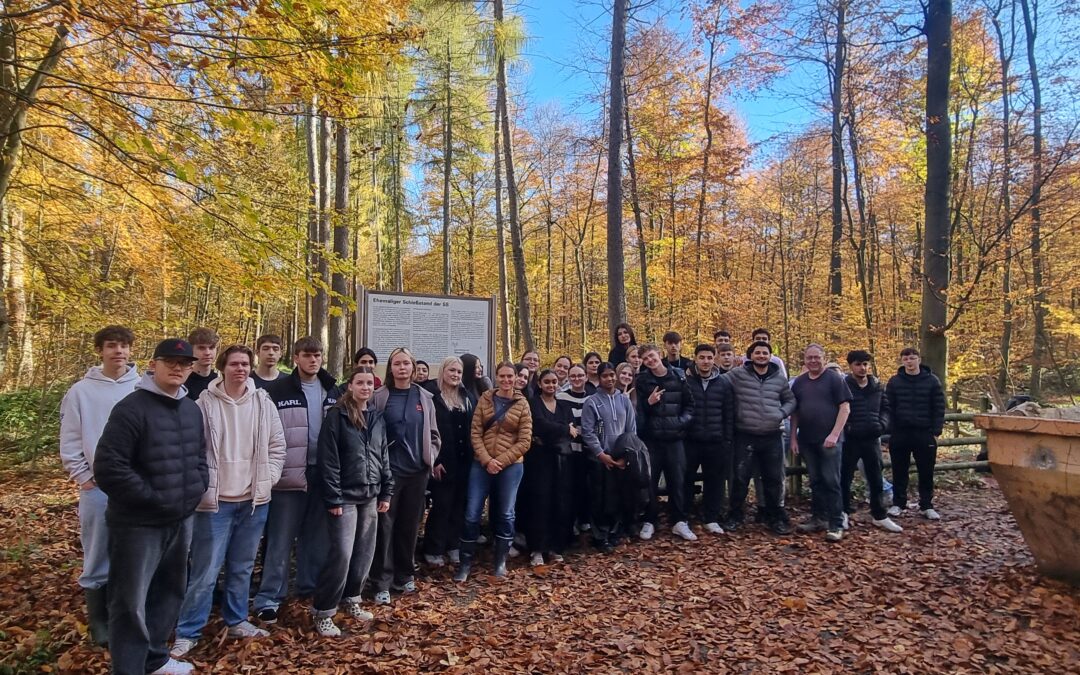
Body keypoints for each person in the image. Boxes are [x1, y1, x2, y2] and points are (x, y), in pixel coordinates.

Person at [94, 339, 208, 675]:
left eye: (184, 363)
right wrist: (153, 499)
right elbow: (109, 468)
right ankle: (128, 668)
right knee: (129, 602)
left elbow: (200, 458)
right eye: (170, 361)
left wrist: (195, 489)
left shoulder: (191, 409)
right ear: (152, 364)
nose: (178, 368)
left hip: (181, 519)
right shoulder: (131, 408)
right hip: (138, 524)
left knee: (170, 591)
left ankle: (155, 659)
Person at [171, 345, 286, 658]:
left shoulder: (263, 402)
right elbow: (189, 451)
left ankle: (236, 620)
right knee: (206, 572)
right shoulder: (202, 404)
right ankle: (188, 631)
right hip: (215, 504)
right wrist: (200, 485)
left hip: (253, 502)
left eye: (246, 364)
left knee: (242, 568)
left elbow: (278, 446)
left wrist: (269, 478)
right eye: (235, 364)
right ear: (223, 367)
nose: (241, 369)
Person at [59, 325, 139, 647]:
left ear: (131, 350)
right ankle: (99, 622)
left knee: (134, 552)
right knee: (97, 553)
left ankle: (128, 614)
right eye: (111, 346)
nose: (118, 351)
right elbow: (71, 440)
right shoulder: (80, 392)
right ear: (100, 350)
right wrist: (85, 479)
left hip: (138, 486)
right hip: (99, 488)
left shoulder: (142, 388)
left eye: (123, 346)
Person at [254, 337, 339, 624]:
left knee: (316, 537)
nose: (313, 360)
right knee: (280, 539)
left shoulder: (332, 390)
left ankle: (308, 586)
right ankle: (269, 598)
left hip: (322, 472)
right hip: (288, 476)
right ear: (296, 358)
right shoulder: (278, 390)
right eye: (307, 355)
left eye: (317, 355)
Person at [311, 367, 393, 637]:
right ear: (350, 386)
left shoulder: (377, 418)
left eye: (370, 383)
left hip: (370, 495)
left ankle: (353, 599)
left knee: (364, 553)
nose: (365, 387)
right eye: (360, 383)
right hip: (344, 496)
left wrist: (386, 492)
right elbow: (329, 460)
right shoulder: (337, 416)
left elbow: (383, 457)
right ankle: (324, 611)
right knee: (342, 554)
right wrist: (333, 496)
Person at [370, 347, 440, 605]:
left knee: (409, 526)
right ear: (390, 368)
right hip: (389, 474)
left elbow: (433, 433)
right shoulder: (380, 396)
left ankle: (405, 574)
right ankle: (381, 581)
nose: (401, 368)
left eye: (406, 364)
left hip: (416, 473)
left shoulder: (424, 396)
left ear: (413, 368)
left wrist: (429, 457)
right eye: (396, 364)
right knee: (384, 527)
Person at [454, 362, 533, 581]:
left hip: (511, 465)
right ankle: (465, 562)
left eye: (510, 376)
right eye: (502, 376)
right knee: (472, 513)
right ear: (496, 377)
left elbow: (525, 440)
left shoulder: (522, 404)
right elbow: (475, 432)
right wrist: (487, 460)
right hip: (481, 463)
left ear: (516, 378)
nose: (506, 380)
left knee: (506, 513)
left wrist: (501, 461)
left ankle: (500, 562)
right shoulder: (485, 399)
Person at [724, 340, 795, 535]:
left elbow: (790, 400)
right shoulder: (738, 375)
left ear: (770, 356)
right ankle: (735, 515)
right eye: (758, 352)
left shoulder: (779, 378)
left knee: (773, 478)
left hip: (772, 435)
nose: (762, 356)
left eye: (765, 353)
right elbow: (718, 381)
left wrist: (781, 413)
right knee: (740, 477)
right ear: (751, 355)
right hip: (745, 434)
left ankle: (775, 516)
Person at [790, 344, 852, 542]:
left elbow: (845, 408)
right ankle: (818, 518)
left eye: (817, 357)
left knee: (831, 481)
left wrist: (834, 434)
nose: (813, 361)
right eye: (810, 358)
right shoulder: (799, 383)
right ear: (805, 360)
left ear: (824, 358)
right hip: (807, 440)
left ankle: (836, 523)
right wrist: (793, 437)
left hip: (830, 441)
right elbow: (795, 413)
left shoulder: (835, 379)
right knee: (815, 481)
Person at [635, 344, 696, 541]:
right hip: (652, 440)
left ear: (659, 354)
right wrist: (649, 403)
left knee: (677, 480)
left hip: (675, 438)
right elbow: (639, 413)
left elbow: (690, 405)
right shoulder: (643, 381)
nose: (650, 361)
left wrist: (681, 422)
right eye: (645, 359)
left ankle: (679, 521)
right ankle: (650, 520)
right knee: (650, 481)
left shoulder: (678, 376)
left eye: (651, 356)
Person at [422, 356, 475, 567]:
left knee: (459, 505)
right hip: (443, 461)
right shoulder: (433, 397)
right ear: (443, 371)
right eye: (451, 371)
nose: (455, 375)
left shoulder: (466, 397)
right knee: (441, 506)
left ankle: (453, 545)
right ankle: (433, 548)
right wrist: (435, 460)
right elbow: (428, 432)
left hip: (464, 461)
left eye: (459, 372)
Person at [581, 363, 638, 552]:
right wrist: (601, 454)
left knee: (617, 496)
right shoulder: (592, 401)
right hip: (600, 458)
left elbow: (631, 430)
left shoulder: (624, 400)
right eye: (605, 376)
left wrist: (626, 456)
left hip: (620, 457)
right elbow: (588, 432)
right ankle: (600, 536)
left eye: (612, 375)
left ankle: (615, 532)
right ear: (599, 378)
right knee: (600, 498)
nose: (610, 379)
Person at [843, 350, 902, 533]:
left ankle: (879, 515)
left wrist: (882, 425)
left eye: (865, 364)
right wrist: (847, 428)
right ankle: (843, 513)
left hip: (871, 438)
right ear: (851, 366)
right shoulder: (844, 385)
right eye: (858, 364)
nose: (862, 368)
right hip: (850, 439)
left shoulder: (876, 386)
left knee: (876, 478)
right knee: (844, 478)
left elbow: (886, 408)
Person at [885, 347, 946, 520]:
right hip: (900, 433)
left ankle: (926, 505)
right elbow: (889, 408)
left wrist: (936, 432)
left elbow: (939, 407)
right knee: (899, 471)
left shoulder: (932, 381)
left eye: (912, 358)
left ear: (919, 359)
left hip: (924, 432)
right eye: (905, 359)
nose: (909, 362)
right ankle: (898, 504)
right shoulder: (894, 382)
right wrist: (891, 432)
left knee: (926, 471)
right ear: (902, 361)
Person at [524, 369, 575, 566]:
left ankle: (556, 547)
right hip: (539, 460)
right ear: (540, 384)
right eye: (547, 382)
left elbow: (572, 432)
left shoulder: (563, 406)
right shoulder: (534, 403)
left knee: (559, 502)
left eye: (554, 382)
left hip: (561, 460)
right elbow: (539, 425)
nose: (551, 385)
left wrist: (561, 431)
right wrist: (562, 429)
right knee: (539, 502)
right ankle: (537, 548)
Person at [684, 344, 735, 535]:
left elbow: (729, 414)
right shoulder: (687, 382)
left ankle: (711, 517)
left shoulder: (723, 383)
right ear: (695, 359)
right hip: (691, 440)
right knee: (686, 478)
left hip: (716, 440)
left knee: (715, 480)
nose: (706, 361)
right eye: (702, 357)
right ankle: (685, 516)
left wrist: (727, 440)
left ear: (714, 359)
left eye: (709, 358)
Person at [556, 364, 590, 534]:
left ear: (586, 377)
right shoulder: (561, 397)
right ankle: (569, 525)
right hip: (568, 450)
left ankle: (583, 519)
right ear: (569, 378)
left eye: (580, 376)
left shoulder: (591, 398)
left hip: (586, 450)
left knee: (584, 486)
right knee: (567, 487)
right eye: (573, 376)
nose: (577, 379)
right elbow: (562, 422)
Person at [185, 327, 219, 400]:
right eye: (201, 348)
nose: (207, 353)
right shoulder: (183, 381)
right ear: (191, 350)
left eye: (211, 348)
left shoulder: (219, 382)